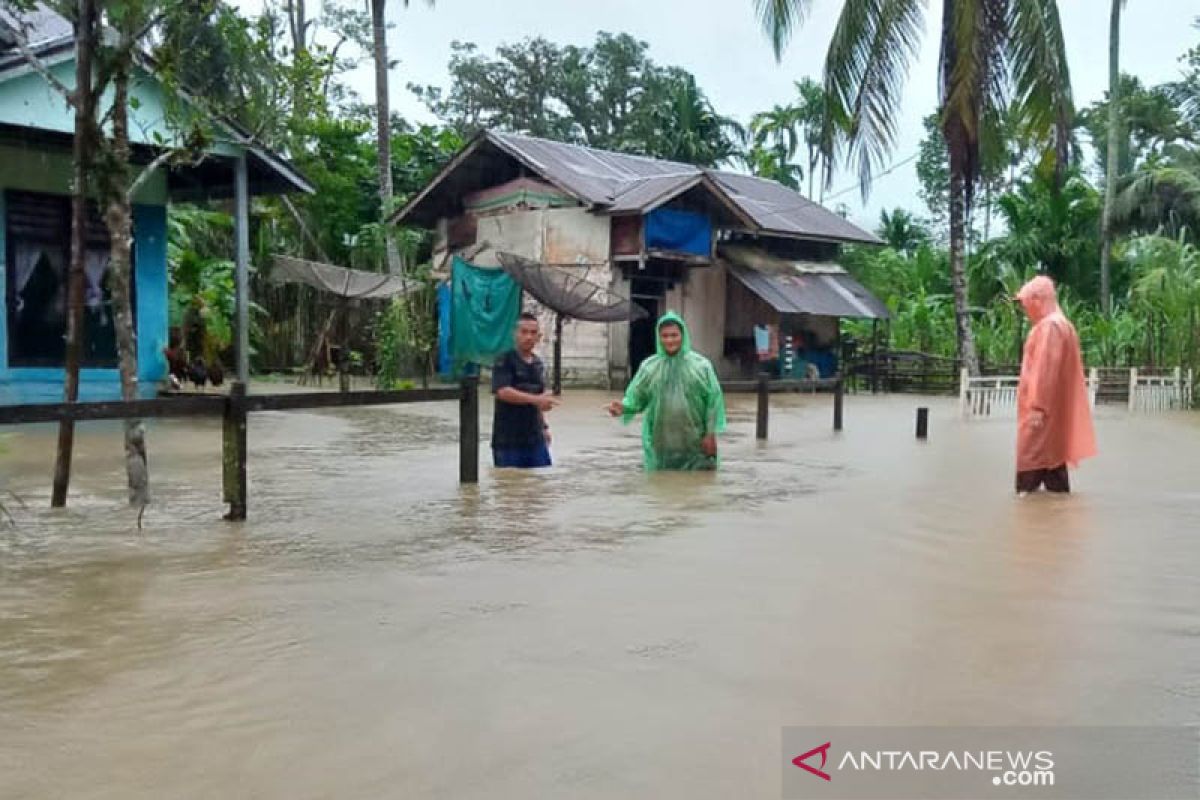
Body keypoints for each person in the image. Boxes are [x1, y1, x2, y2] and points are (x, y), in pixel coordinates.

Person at [607, 311, 726, 471]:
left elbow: (713, 402)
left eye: (674, 335)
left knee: (698, 486)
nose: (670, 340)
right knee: (661, 487)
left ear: (683, 336)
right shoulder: (649, 367)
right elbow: (637, 397)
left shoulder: (701, 366)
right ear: (659, 338)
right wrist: (623, 407)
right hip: (660, 444)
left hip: (696, 442)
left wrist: (710, 434)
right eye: (665, 336)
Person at [1014, 275, 1097, 494]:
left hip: (1040, 418)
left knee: (1028, 475)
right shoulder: (1062, 325)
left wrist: (1038, 407)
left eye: (1026, 303)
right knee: (1054, 472)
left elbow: (1045, 370)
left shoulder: (1050, 327)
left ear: (1037, 300)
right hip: (1053, 418)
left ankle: (1026, 524)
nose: (1025, 309)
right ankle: (1057, 524)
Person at [491, 312, 557, 468]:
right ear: (515, 334)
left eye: (533, 333)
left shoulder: (538, 364)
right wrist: (536, 400)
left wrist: (545, 427)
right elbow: (502, 391)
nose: (528, 337)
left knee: (539, 484)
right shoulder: (504, 360)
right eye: (524, 332)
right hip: (508, 441)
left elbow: (540, 399)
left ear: (539, 337)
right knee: (510, 485)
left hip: (535, 438)